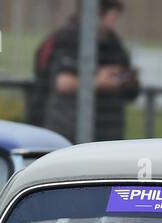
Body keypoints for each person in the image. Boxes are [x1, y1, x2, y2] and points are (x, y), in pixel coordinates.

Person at [32, 0, 140, 142]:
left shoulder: (113, 42)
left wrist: (127, 80)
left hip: (105, 131)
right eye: (113, 17)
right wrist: (99, 81)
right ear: (97, 14)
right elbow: (63, 82)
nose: (113, 24)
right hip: (67, 130)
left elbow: (130, 86)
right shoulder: (69, 37)